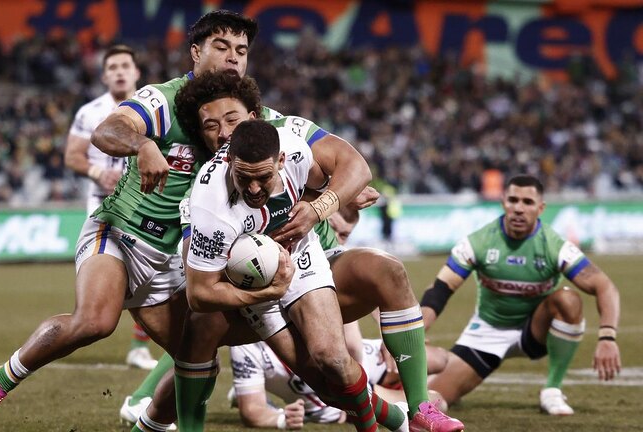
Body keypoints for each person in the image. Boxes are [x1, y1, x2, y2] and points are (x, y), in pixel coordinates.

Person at [0, 10, 265, 432]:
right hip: (118, 233)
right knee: (95, 322)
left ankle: (148, 426)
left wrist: (337, 195)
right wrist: (142, 145)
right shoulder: (165, 99)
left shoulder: (247, 116)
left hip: (166, 259)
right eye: (222, 47)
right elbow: (108, 130)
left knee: (200, 364)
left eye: (242, 51)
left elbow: (294, 153)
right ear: (196, 52)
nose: (233, 58)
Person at [122, 70, 464, 432]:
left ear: (281, 159)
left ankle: (416, 411)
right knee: (317, 379)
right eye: (245, 178)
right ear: (228, 164)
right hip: (250, 286)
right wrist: (268, 290)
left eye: (263, 177)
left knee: (334, 359)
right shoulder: (208, 201)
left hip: (300, 257)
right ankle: (152, 422)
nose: (254, 188)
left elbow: (347, 170)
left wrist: (323, 204)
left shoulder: (295, 145)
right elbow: (200, 293)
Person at [420, 174, 622, 415]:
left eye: (527, 202)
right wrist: (417, 331)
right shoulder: (478, 243)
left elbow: (604, 286)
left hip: (534, 330)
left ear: (541, 208)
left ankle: (552, 390)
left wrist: (607, 338)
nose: (518, 209)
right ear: (503, 202)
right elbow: (439, 291)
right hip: (487, 332)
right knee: (433, 401)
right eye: (513, 200)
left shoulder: (554, 245)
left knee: (568, 300)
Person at [63, 44, 157, 371]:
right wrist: (96, 171)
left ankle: (139, 348)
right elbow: (72, 155)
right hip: (101, 207)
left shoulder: (152, 107)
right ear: (104, 75)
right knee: (108, 276)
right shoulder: (90, 112)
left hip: (143, 204)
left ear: (136, 72)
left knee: (152, 277)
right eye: (113, 67)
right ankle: (89, 323)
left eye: (125, 65)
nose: (119, 71)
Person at [228, 339, 449, 429]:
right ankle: (246, 388)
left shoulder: (300, 294)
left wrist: (390, 336)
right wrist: (282, 418)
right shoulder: (246, 344)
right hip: (345, 391)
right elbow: (252, 412)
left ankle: (244, 388)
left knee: (440, 359)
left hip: (359, 359)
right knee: (437, 401)